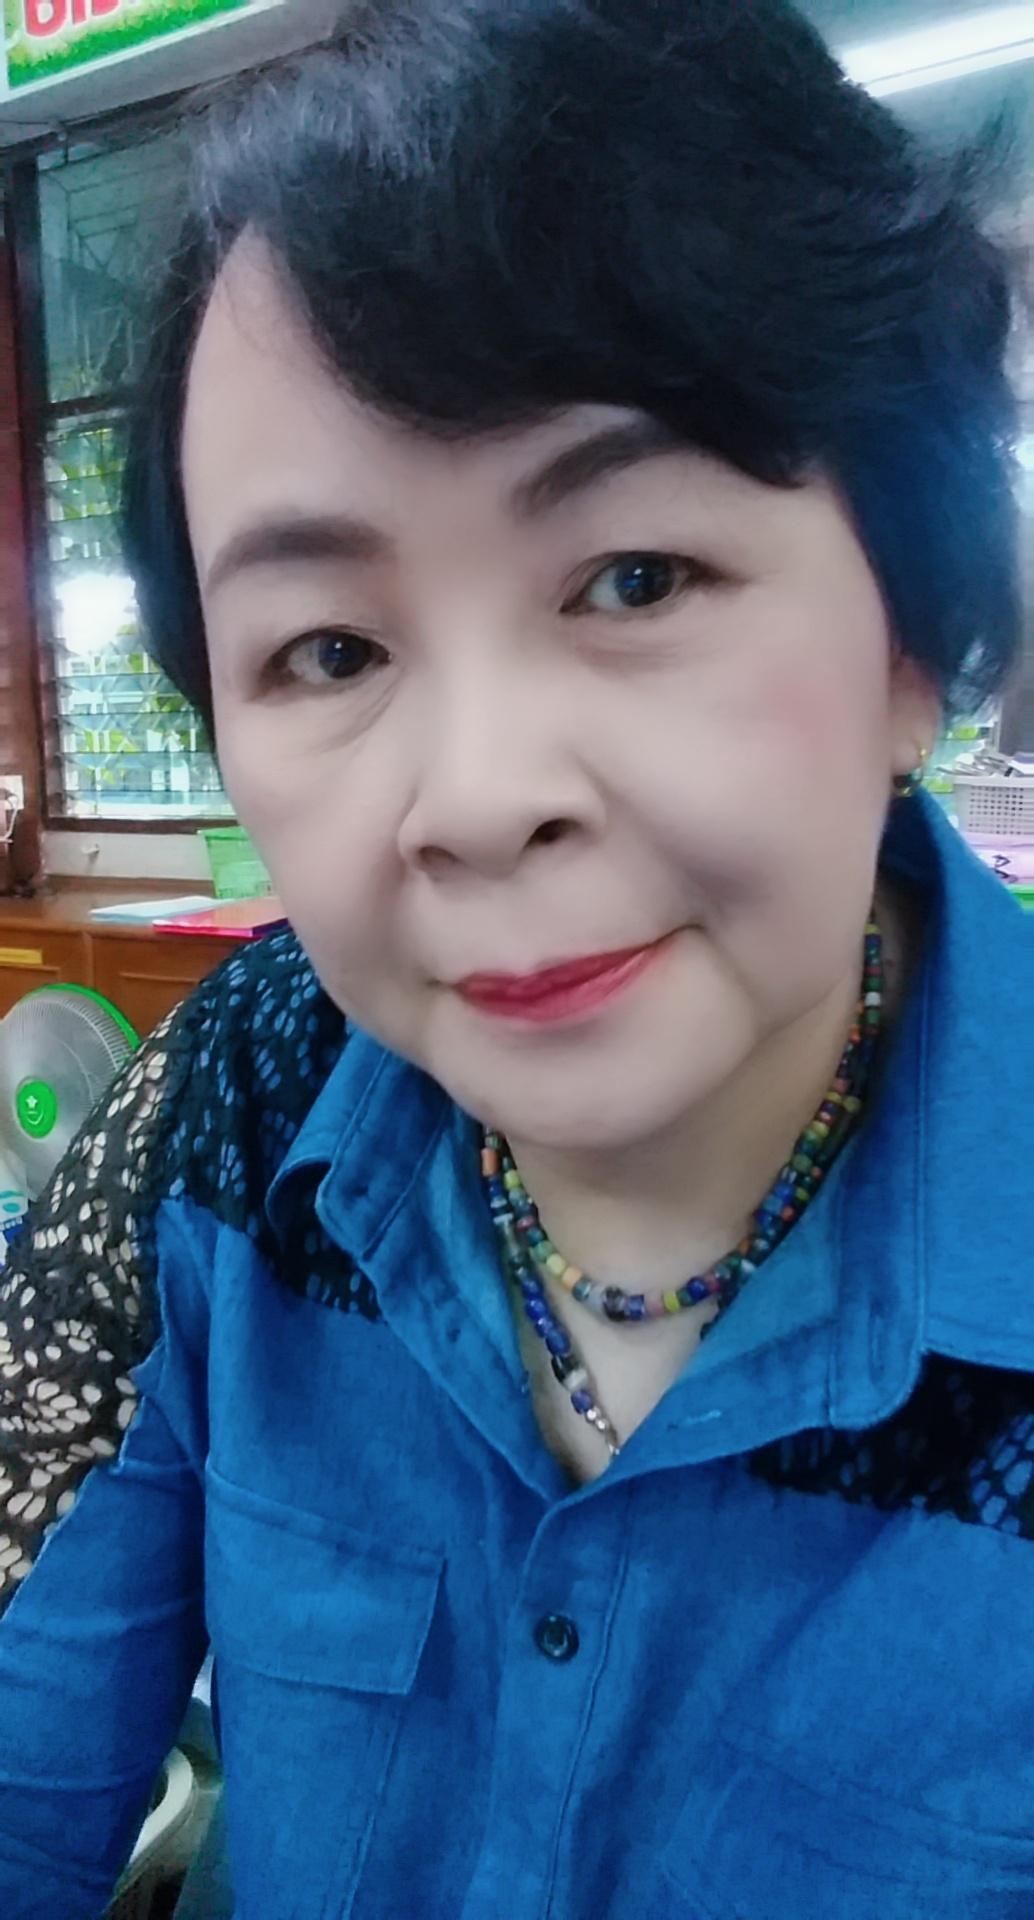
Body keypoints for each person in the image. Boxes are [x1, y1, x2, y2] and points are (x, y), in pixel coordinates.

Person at [1, 1, 1032, 1914]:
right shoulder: (244, 1093)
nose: (474, 801)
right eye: (329, 649)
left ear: (912, 633)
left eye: (633, 578)